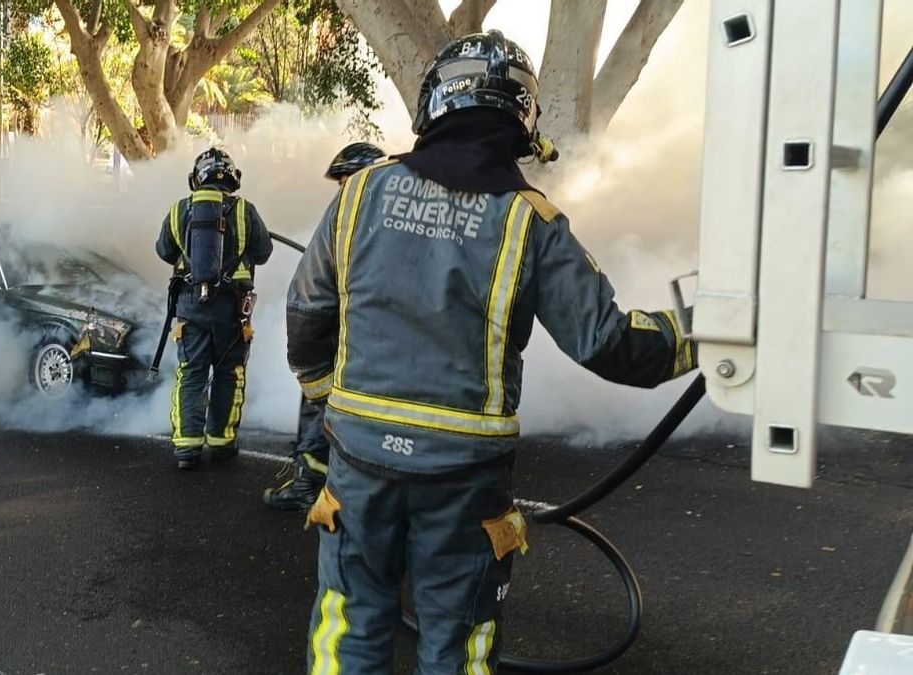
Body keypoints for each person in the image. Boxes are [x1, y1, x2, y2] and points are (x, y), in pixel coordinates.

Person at [288, 31, 696, 673]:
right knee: (458, 643)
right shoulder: (530, 221)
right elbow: (611, 344)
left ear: (434, 107)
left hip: (358, 460)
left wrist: (323, 401)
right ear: (520, 123)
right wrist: (704, 334)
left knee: (349, 623)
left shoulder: (359, 194)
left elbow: (308, 310)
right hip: (463, 476)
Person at [263, 142, 386, 511]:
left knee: (319, 404)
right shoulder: (390, 220)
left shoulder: (356, 216)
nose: (342, 189)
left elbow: (312, 292)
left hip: (343, 335)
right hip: (372, 339)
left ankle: (307, 485)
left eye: (346, 180)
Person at [156, 148, 273, 470]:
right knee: (228, 373)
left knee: (190, 374)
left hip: (190, 309)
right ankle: (221, 442)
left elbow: (164, 250)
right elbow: (263, 253)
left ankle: (187, 447)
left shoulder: (179, 209)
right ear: (232, 179)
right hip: (232, 311)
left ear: (196, 178)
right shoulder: (245, 210)